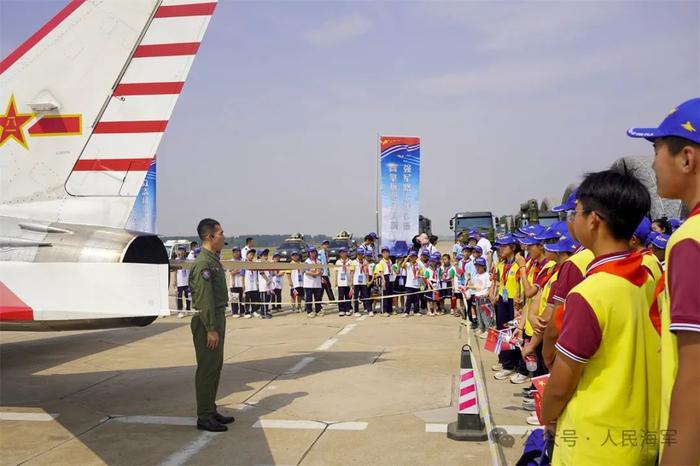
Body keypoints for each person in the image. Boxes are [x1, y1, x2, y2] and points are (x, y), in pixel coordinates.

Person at [540, 170, 659, 465]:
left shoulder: (589, 294)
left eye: (576, 212)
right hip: (642, 440)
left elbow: (561, 382)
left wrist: (548, 416)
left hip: (593, 446)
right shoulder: (649, 275)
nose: (572, 220)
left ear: (593, 220)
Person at [628, 97, 700, 465]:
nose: (654, 163)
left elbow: (695, 373)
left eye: (657, 148)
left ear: (687, 158)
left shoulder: (690, 241)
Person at [188, 218, 234, 432]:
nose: (223, 237)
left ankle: (210, 409)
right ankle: (204, 417)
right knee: (207, 368)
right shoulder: (203, 264)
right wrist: (210, 328)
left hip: (215, 318)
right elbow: (205, 298)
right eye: (221, 233)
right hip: (208, 320)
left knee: (215, 366)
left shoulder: (212, 260)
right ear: (209, 237)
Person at [491, 234, 523, 381]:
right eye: (500, 246)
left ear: (513, 247)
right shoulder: (501, 264)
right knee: (503, 332)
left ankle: (515, 364)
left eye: (504, 246)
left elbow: (521, 285)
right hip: (503, 301)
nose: (501, 249)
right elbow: (498, 283)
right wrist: (495, 295)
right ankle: (506, 364)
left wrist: (519, 304)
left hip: (514, 303)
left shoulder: (519, 265)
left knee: (514, 333)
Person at [467, 257, 492, 335]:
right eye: (476, 266)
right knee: (479, 313)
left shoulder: (486, 275)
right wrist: (469, 287)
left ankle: (488, 330)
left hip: (484, 298)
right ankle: (481, 328)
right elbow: (476, 286)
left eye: (479, 266)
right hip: (477, 297)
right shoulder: (477, 275)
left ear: (484, 266)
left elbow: (489, 286)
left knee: (485, 314)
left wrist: (487, 294)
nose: (477, 267)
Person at [401, 250, 424, 316]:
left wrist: (420, 276)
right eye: (411, 257)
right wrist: (407, 258)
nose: (412, 258)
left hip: (417, 284)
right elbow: (402, 266)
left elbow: (421, 273)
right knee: (409, 299)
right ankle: (406, 312)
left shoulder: (419, 265)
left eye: (414, 256)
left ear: (416, 257)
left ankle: (416, 311)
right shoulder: (408, 264)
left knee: (416, 299)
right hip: (409, 285)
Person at [374, 247, 396, 316]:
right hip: (385, 277)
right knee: (385, 295)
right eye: (384, 253)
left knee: (390, 294)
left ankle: (390, 310)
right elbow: (381, 272)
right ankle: (384, 311)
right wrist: (383, 281)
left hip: (390, 277)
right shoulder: (381, 262)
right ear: (382, 254)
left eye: (387, 252)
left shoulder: (390, 261)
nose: (385, 254)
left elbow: (391, 270)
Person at [303, 247, 323, 317]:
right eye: (311, 252)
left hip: (317, 283)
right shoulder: (307, 262)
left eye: (314, 252)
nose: (313, 253)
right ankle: (309, 311)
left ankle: (318, 310)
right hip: (309, 283)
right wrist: (315, 274)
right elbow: (306, 272)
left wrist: (319, 273)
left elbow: (322, 271)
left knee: (318, 297)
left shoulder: (318, 261)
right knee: (309, 298)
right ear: (309, 253)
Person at [351, 247, 372, 316]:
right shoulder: (353, 262)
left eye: (362, 254)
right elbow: (352, 273)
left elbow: (367, 272)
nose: (361, 255)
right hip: (356, 282)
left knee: (366, 296)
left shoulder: (365, 262)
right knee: (356, 297)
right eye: (359, 254)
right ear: (357, 254)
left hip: (363, 281)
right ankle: (356, 311)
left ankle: (369, 310)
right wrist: (351, 283)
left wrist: (367, 280)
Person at [335, 247, 353, 316]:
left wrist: (351, 281)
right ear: (340, 254)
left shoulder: (350, 261)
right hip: (340, 282)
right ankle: (341, 310)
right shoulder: (338, 262)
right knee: (341, 297)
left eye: (344, 252)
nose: (343, 254)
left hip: (348, 282)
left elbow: (351, 272)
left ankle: (348, 309)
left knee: (348, 296)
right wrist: (336, 282)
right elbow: (336, 272)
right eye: (341, 252)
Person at [175, 246, 191, 317]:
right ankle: (180, 311)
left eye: (182, 250)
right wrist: (174, 282)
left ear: (185, 252)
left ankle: (188, 309)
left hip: (187, 282)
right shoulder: (176, 260)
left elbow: (190, 271)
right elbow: (174, 272)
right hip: (180, 282)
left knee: (188, 296)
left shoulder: (187, 260)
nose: (181, 252)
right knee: (179, 297)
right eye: (180, 250)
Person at [228, 246, 244, 318]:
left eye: (238, 251)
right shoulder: (231, 261)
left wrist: (237, 270)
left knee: (242, 297)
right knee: (234, 297)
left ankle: (242, 311)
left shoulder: (243, 260)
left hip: (242, 282)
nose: (236, 253)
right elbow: (232, 272)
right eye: (235, 252)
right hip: (234, 282)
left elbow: (243, 271)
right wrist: (238, 270)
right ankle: (234, 312)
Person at [242, 248, 258, 319]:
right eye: (250, 254)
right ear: (247, 255)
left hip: (254, 285)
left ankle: (254, 311)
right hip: (247, 285)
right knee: (247, 299)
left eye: (253, 255)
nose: (252, 256)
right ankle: (247, 312)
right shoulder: (244, 264)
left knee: (254, 298)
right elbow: (242, 275)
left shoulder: (254, 264)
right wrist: (243, 284)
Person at [256, 249, 271, 319]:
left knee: (267, 299)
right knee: (264, 300)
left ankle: (266, 311)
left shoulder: (266, 263)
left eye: (266, 255)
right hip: (263, 284)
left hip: (268, 284)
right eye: (264, 255)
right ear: (260, 256)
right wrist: (267, 280)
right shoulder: (259, 263)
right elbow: (261, 272)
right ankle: (263, 314)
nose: (266, 257)